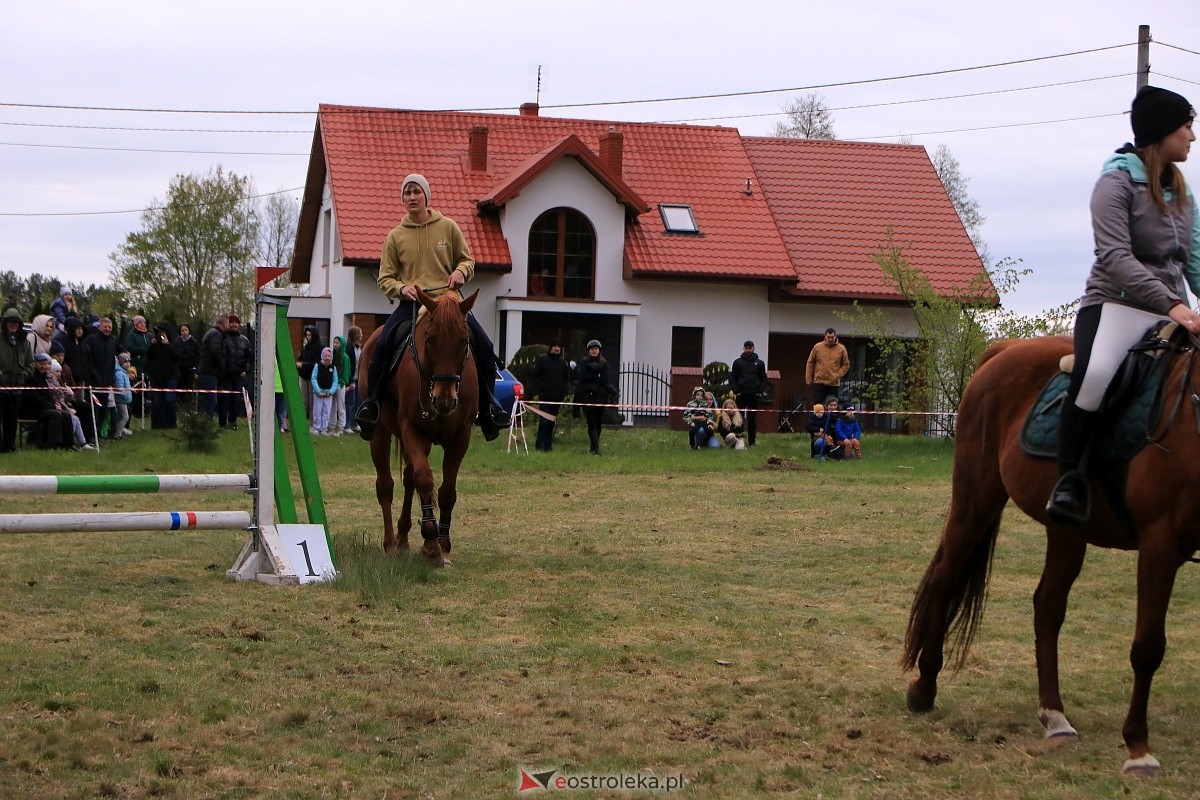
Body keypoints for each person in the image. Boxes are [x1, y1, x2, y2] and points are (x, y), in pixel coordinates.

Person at [1047, 86, 1200, 525]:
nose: (1191, 136)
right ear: (1161, 132)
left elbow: (1196, 260)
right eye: (1186, 126)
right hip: (1115, 306)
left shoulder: (1184, 195)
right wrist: (1173, 305)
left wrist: (1186, 306)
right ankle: (1069, 482)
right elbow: (1115, 257)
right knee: (1094, 377)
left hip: (1173, 312)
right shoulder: (1113, 185)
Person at [354, 173, 510, 441]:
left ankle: (488, 408)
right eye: (407, 193)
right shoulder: (395, 236)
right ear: (403, 199)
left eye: (417, 192)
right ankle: (373, 405)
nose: (412, 197)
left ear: (427, 196)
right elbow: (385, 278)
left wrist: (461, 272)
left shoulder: (448, 227)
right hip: (413, 303)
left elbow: (467, 260)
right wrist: (402, 288)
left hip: (448, 302)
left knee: (484, 345)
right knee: (381, 344)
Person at [19, 354, 73, 449]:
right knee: (54, 415)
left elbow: (49, 396)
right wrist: (52, 406)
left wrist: (56, 405)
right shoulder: (31, 379)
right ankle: (50, 444)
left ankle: (67, 445)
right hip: (31, 410)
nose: (44, 366)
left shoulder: (45, 378)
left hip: (44, 408)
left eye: (47, 364)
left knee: (66, 415)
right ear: (35, 365)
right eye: (41, 364)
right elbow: (34, 399)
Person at [0, 307, 35, 453]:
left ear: (19, 324)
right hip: (1, 386)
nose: (13, 325)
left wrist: (23, 375)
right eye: (10, 322)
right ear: (5, 324)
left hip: (16, 389)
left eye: (15, 322)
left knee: (11, 419)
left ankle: (10, 446)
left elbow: (31, 364)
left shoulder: (25, 343)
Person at [575, 339, 616, 456]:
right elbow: (582, 378)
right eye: (592, 349)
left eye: (596, 349)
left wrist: (611, 391)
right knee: (591, 423)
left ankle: (593, 447)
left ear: (599, 350)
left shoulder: (604, 363)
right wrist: (591, 371)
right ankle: (596, 450)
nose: (594, 351)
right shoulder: (584, 363)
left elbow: (605, 380)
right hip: (587, 397)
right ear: (588, 351)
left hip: (601, 398)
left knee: (598, 424)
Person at [530, 337, 572, 452]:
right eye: (555, 346)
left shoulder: (563, 362)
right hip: (545, 397)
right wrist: (542, 389)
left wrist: (563, 391)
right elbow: (535, 376)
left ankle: (548, 446)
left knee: (551, 423)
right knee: (543, 422)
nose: (557, 348)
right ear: (551, 347)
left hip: (557, 398)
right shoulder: (543, 360)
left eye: (558, 346)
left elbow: (567, 378)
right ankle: (539, 445)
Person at [81, 317, 117, 441]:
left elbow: (112, 361)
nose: (107, 329)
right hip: (93, 382)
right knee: (94, 409)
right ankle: (91, 434)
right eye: (105, 327)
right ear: (100, 327)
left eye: (109, 327)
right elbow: (88, 361)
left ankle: (100, 432)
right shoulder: (91, 340)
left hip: (106, 382)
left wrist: (111, 377)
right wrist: (96, 376)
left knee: (104, 409)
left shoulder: (112, 342)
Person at [729, 339, 768, 447]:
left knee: (752, 420)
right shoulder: (738, 362)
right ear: (743, 349)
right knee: (738, 418)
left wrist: (760, 391)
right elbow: (732, 377)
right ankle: (737, 440)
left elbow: (763, 378)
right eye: (746, 348)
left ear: (753, 348)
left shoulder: (759, 363)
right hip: (741, 394)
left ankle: (752, 442)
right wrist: (736, 391)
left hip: (754, 395)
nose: (748, 350)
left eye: (750, 348)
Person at [144, 322, 179, 429]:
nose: (161, 334)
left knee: (169, 400)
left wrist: (168, 345)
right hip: (156, 376)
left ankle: (171, 424)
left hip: (170, 376)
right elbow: (148, 357)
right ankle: (157, 424)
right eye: (159, 332)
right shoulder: (155, 345)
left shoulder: (173, 343)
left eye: (163, 332)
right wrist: (152, 345)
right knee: (157, 402)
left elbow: (176, 357)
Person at [221, 313, 251, 430]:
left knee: (236, 399)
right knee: (224, 399)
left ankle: (233, 422)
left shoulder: (244, 340)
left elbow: (249, 357)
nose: (234, 324)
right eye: (232, 322)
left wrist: (246, 370)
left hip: (239, 375)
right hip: (226, 374)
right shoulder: (223, 338)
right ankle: (222, 423)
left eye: (236, 322)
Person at [805, 328, 850, 405]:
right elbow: (810, 362)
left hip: (833, 383)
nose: (830, 339)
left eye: (832, 337)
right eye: (828, 337)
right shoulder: (817, 347)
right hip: (819, 381)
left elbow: (846, 364)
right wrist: (808, 378)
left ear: (835, 336)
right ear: (825, 337)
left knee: (832, 406)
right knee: (818, 406)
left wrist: (837, 375)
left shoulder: (841, 349)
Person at [196, 315, 228, 420]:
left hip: (207, 370)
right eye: (227, 323)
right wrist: (221, 366)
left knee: (207, 398)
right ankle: (206, 422)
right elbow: (215, 352)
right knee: (210, 399)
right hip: (210, 371)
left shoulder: (211, 333)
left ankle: (204, 420)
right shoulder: (217, 335)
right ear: (224, 324)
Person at [296, 325, 323, 423]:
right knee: (304, 401)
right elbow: (301, 358)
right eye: (307, 335)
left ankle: (313, 422)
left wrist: (303, 365)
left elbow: (317, 363)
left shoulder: (320, 348)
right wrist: (299, 364)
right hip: (303, 376)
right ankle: (302, 422)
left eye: (310, 335)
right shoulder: (305, 347)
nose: (308, 337)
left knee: (313, 401)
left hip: (313, 377)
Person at [310, 347, 337, 435]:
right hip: (319, 393)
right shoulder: (317, 366)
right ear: (322, 356)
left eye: (329, 356)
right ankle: (316, 427)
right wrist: (318, 391)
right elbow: (313, 378)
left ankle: (324, 428)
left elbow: (335, 381)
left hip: (328, 393)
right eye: (325, 356)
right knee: (317, 410)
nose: (327, 358)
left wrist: (331, 392)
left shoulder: (333, 368)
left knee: (326, 411)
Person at [343, 326, 364, 433]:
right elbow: (349, 365)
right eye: (360, 333)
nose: (362, 335)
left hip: (359, 378)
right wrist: (350, 380)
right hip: (351, 379)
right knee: (350, 402)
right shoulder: (348, 348)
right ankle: (347, 424)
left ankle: (355, 423)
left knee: (359, 402)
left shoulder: (360, 347)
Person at [331, 335, 351, 435]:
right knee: (332, 406)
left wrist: (342, 382)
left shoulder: (345, 357)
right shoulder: (332, 355)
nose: (335, 345)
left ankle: (341, 426)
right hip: (332, 384)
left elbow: (346, 372)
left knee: (341, 406)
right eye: (334, 342)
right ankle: (332, 425)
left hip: (340, 384)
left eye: (338, 343)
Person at [172, 322, 200, 392]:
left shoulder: (194, 342)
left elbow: (198, 355)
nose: (184, 332)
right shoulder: (176, 342)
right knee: (180, 387)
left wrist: (196, 366)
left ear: (189, 331)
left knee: (189, 388)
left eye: (186, 330)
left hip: (190, 368)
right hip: (180, 368)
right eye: (182, 330)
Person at [112, 352, 134, 438]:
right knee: (125, 417)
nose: (128, 364)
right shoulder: (119, 374)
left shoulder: (123, 373)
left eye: (129, 361)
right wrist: (126, 395)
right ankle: (118, 433)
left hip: (123, 399)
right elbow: (119, 388)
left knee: (120, 417)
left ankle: (118, 432)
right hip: (121, 399)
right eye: (126, 362)